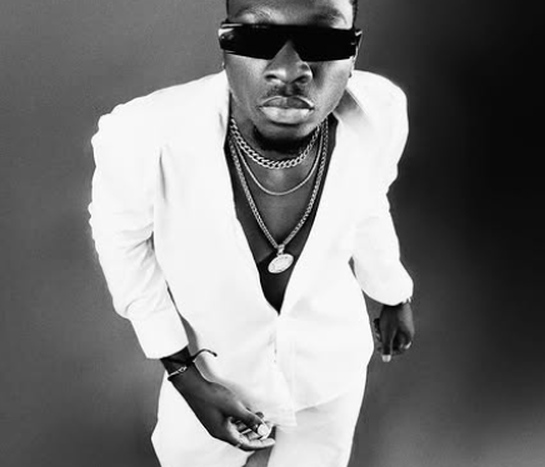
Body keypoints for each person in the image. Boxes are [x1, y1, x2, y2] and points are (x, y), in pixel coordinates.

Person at [88, 0, 415, 465]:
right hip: (213, 368)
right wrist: (184, 375)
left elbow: (369, 203)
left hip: (329, 366)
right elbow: (121, 243)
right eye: (257, 37)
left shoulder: (380, 112)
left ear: (353, 50)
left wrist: (392, 293)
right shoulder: (143, 135)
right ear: (225, 45)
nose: (288, 70)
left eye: (323, 39)